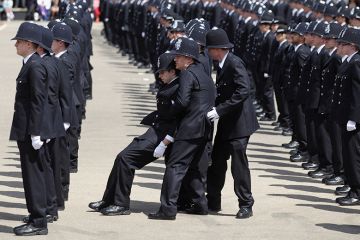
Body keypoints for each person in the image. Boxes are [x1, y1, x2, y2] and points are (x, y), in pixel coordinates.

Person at [88, 52, 180, 215]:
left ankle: (121, 204)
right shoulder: (168, 84)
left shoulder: (179, 88)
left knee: (127, 159)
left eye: (163, 72)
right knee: (121, 157)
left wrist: (165, 142)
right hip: (155, 130)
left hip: (163, 136)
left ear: (173, 71)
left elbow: (179, 119)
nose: (159, 76)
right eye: (158, 72)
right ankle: (109, 199)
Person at [148, 37, 216, 220]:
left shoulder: (187, 74)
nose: (175, 59)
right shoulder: (204, 75)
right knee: (195, 169)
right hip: (204, 130)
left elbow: (182, 102)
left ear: (189, 59)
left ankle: (168, 209)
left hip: (188, 129)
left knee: (175, 167)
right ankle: (200, 205)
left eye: (179, 56)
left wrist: (167, 113)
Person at [205, 28, 259, 219]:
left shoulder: (234, 63)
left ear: (218, 49)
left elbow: (243, 91)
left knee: (239, 165)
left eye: (210, 49)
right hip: (228, 121)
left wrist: (219, 110)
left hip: (240, 123)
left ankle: (246, 204)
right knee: (217, 161)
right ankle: (213, 199)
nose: (208, 53)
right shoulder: (221, 63)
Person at [10, 22, 49, 236]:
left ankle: (39, 221)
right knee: (30, 174)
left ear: (29, 44)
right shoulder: (30, 63)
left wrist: (36, 132)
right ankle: (36, 216)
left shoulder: (34, 65)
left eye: (19, 41)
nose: (16, 44)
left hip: (30, 130)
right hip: (26, 129)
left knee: (33, 175)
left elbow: (38, 102)